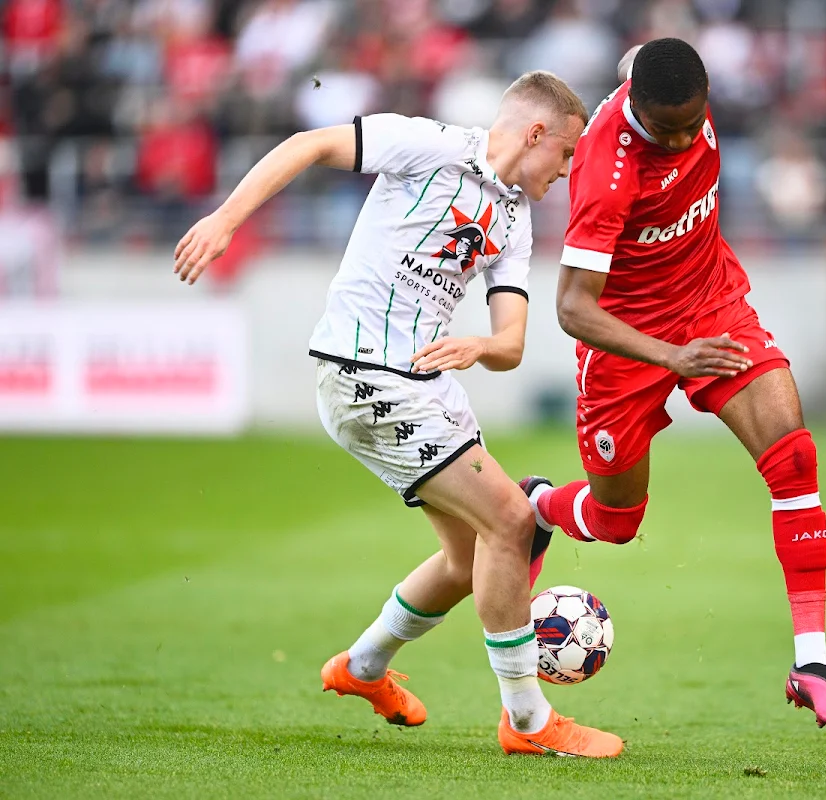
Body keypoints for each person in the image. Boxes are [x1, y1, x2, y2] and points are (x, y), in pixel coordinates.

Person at [172, 71, 622, 757]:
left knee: (470, 556)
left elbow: (512, 343)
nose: (568, 170)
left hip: (426, 383)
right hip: (362, 371)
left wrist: (482, 345)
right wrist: (225, 219)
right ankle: (527, 721)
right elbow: (307, 144)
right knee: (511, 520)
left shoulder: (515, 219)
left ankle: (362, 668)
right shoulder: (429, 146)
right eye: (566, 155)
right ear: (536, 133)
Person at [523, 38, 826, 734]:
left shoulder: (666, 78)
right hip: (628, 338)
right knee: (618, 520)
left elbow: (637, 56)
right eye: (665, 128)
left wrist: (690, 344)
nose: (680, 139)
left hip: (712, 304)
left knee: (793, 457)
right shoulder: (607, 173)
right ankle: (539, 509)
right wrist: (672, 356)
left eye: (691, 123)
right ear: (636, 109)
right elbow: (572, 309)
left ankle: (813, 663)